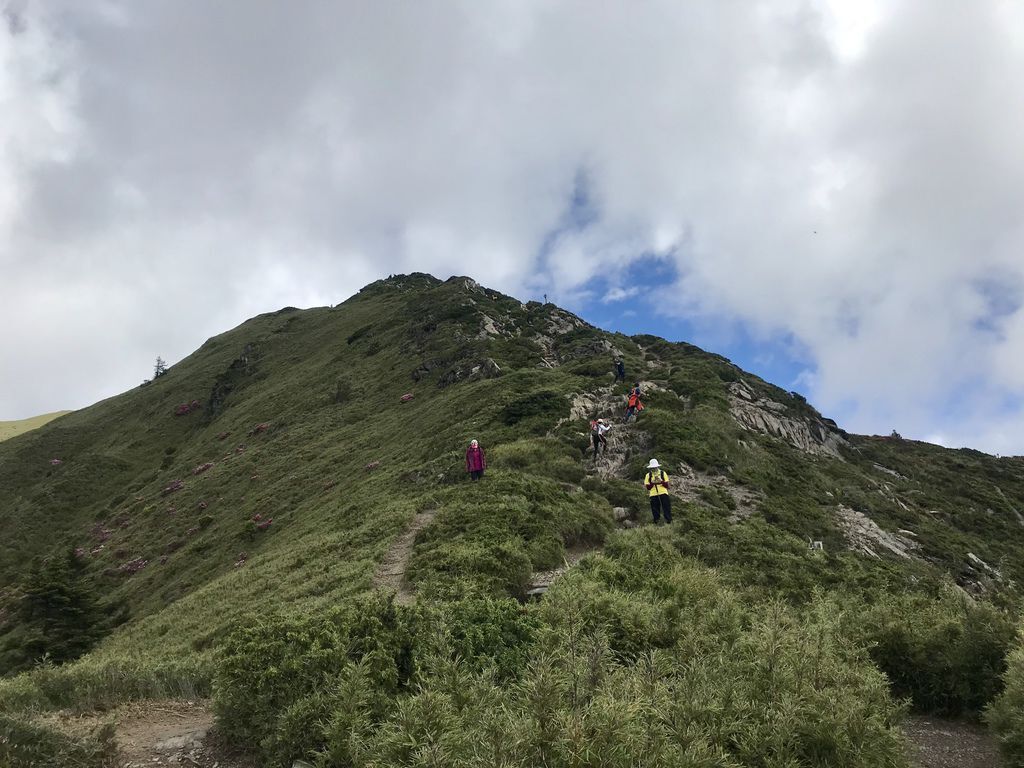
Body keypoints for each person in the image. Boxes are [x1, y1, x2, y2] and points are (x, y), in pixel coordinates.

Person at [644, 458, 672, 524]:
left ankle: (668, 521)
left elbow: (667, 485)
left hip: (663, 493)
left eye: (655, 467)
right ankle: (657, 522)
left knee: (666, 508)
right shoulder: (648, 475)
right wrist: (652, 483)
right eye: (652, 468)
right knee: (655, 509)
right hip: (653, 494)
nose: (654, 469)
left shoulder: (663, 473)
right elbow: (648, 487)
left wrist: (661, 481)